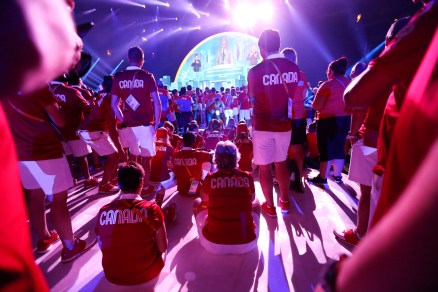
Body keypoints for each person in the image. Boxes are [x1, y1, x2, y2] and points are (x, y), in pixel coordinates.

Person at [344, 0, 436, 227]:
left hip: (403, 166)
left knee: (376, 213)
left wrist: (389, 51)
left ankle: (359, 235)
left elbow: (354, 97)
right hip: (422, 166)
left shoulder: (428, 22)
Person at [3, 87, 89, 263]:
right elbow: (60, 121)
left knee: (35, 196)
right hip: (46, 151)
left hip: (21, 153)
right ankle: (70, 247)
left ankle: (44, 239)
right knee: (58, 200)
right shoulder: (37, 85)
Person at [248, 29, 300, 215]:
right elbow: (292, 95)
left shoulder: (255, 71)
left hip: (262, 126)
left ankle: (270, 206)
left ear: (262, 48)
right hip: (284, 125)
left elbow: (252, 100)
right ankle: (284, 202)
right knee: (281, 163)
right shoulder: (294, 68)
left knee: (264, 167)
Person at [95, 161, 167, 288]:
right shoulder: (152, 209)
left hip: (112, 276)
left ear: (119, 184)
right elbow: (162, 248)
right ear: (141, 183)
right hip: (148, 275)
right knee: (158, 230)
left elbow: (102, 245)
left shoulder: (103, 212)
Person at [111, 46, 162, 196]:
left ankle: (131, 189)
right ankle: (145, 188)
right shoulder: (147, 76)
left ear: (128, 59)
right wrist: (157, 123)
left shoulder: (118, 77)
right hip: (145, 125)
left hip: (128, 126)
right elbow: (157, 102)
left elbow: (114, 105)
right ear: (142, 60)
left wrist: (123, 119)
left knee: (133, 157)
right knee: (146, 158)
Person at [193, 141, 260, 254]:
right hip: (246, 243)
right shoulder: (247, 177)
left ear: (216, 158)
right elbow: (252, 199)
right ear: (236, 158)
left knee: (197, 202)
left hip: (213, 244)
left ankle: (205, 228)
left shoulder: (210, 178)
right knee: (257, 203)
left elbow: (204, 200)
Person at [308, 57, 351, 185]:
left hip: (328, 120)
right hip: (345, 119)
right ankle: (337, 176)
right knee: (338, 147)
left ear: (331, 71)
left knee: (325, 149)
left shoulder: (328, 84)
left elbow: (316, 106)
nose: (327, 73)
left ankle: (322, 177)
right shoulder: (349, 83)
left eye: (327, 71)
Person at [281, 47, 309, 193]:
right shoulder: (302, 75)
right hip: (298, 116)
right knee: (296, 148)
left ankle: (291, 177)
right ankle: (296, 178)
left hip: (285, 117)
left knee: (285, 148)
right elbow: (303, 96)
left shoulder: (279, 75)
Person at [172, 132, 212, 196]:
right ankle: (201, 182)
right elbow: (211, 155)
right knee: (208, 163)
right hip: (194, 190)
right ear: (194, 142)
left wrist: (180, 142)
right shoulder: (199, 154)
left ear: (183, 141)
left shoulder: (175, 154)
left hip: (181, 190)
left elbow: (175, 150)